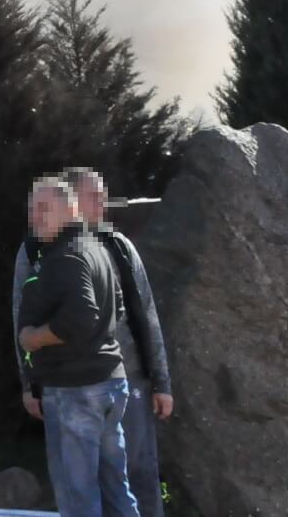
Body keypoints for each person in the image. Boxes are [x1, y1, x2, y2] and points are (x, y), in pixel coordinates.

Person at [18, 176, 138, 517]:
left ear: (70, 209)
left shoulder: (65, 256)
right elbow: (117, 306)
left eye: (44, 208)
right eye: (32, 209)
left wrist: (33, 338)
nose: (35, 217)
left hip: (76, 390)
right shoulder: (96, 249)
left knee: (78, 498)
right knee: (117, 489)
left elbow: (81, 317)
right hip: (110, 384)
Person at [67, 167, 175, 517]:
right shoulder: (42, 252)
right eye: (93, 196)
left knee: (140, 473)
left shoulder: (120, 247)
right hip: (74, 387)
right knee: (88, 480)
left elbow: (147, 316)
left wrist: (161, 382)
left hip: (131, 381)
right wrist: (30, 386)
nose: (102, 203)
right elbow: (24, 316)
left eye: (103, 195)